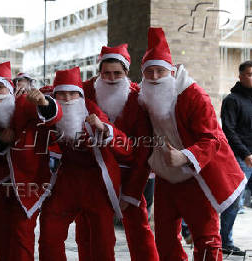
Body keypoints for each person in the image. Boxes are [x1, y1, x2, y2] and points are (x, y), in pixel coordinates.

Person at [138, 27, 246, 261]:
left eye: (160, 71)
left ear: (171, 70)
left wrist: (185, 156)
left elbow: (213, 137)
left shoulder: (194, 95)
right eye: (149, 72)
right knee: (165, 239)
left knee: (206, 239)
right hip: (166, 179)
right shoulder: (143, 95)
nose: (155, 77)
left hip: (197, 176)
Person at [38, 67, 132, 261]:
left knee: (103, 237)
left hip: (96, 181)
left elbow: (126, 147)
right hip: (66, 179)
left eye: (72, 93)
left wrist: (104, 129)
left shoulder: (91, 110)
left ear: (80, 95)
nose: (67, 98)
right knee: (49, 227)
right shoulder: (48, 111)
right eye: (62, 94)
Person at [76, 44, 158, 261]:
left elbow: (144, 148)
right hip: (93, 174)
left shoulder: (138, 98)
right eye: (106, 73)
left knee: (139, 229)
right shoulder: (86, 90)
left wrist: (131, 192)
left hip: (129, 172)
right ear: (99, 73)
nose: (111, 78)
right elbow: (60, 88)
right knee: (88, 229)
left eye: (117, 73)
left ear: (126, 73)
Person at [0, 61, 62, 261]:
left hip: (28, 181)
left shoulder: (24, 103)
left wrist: (44, 103)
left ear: (10, 88)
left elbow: (52, 116)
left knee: (22, 236)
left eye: (0, 86)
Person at [220, 60, 252, 254]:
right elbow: (229, 131)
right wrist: (246, 154)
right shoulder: (232, 100)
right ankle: (226, 242)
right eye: (249, 74)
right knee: (234, 202)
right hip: (241, 160)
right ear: (241, 76)